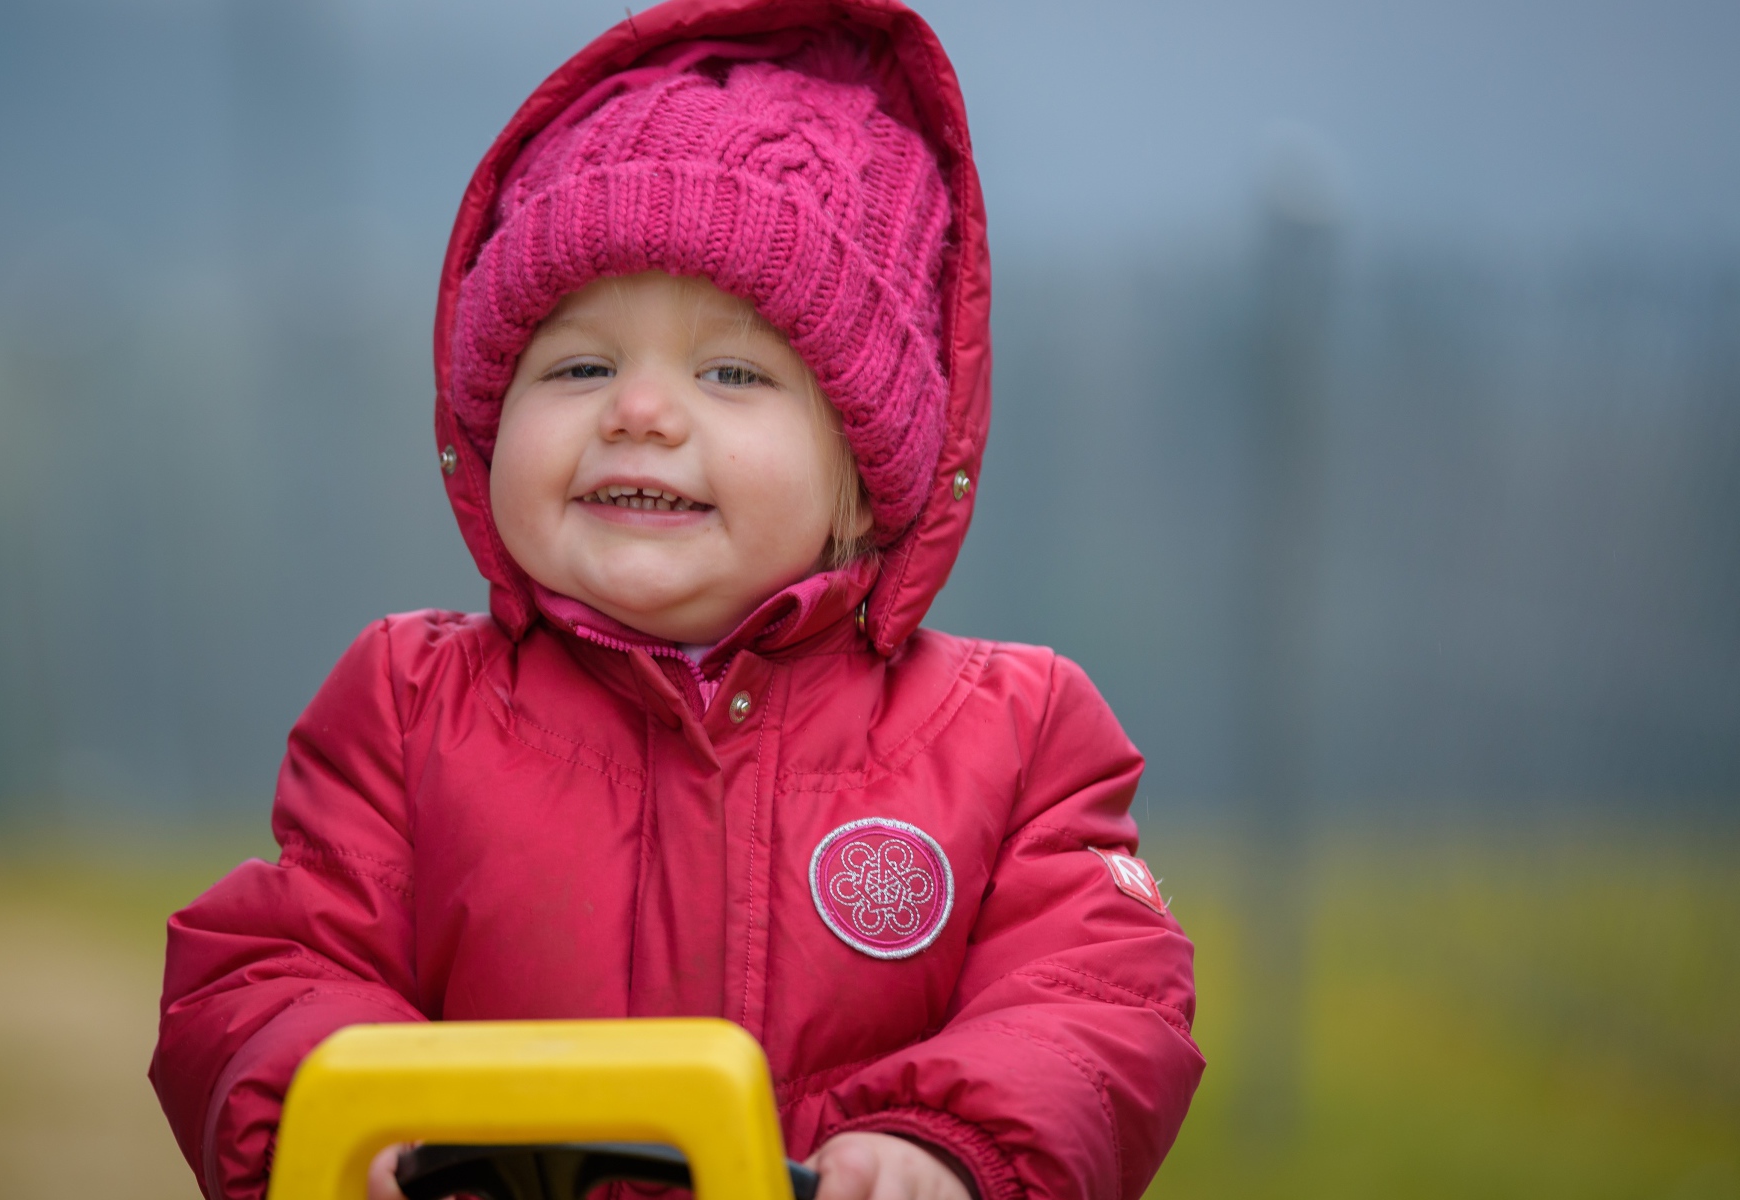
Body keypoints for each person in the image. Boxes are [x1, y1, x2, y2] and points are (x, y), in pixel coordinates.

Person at [149, 2, 1203, 1198]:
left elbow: (1095, 997)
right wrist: (354, 1109)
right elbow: (268, 970)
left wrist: (945, 1146)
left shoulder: (1012, 738)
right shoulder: (406, 709)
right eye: (580, 364)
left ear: (866, 468)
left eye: (732, 371)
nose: (640, 412)